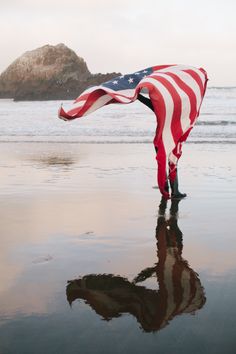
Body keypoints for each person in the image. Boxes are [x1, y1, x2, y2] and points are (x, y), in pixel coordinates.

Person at [137, 93, 187, 199]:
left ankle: (164, 187)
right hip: (173, 140)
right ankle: (175, 191)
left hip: (160, 139)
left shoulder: (160, 107)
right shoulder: (180, 109)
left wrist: (137, 94)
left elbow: (145, 101)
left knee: (162, 164)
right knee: (172, 163)